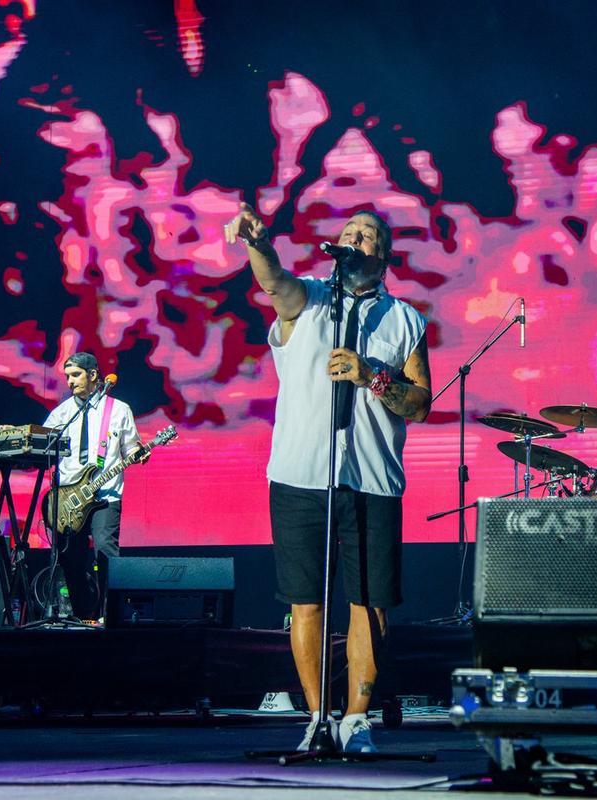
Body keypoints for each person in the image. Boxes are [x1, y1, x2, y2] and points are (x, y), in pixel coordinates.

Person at [224, 203, 432, 753]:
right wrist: (258, 244)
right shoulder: (310, 299)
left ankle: (357, 720)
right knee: (306, 601)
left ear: (385, 256)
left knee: (370, 604)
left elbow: (420, 404)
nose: (355, 237)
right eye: (348, 231)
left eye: (368, 234)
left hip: (372, 479)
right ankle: (318, 718)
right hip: (300, 474)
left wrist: (372, 377)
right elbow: (274, 282)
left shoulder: (406, 320)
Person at [42, 352, 146, 622]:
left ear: (93, 375)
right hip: (69, 498)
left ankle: (110, 616)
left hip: (106, 494)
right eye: (67, 376)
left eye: (75, 375)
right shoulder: (61, 414)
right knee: (71, 559)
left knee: (106, 552)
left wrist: (139, 453)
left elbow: (131, 448)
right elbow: (42, 448)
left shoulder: (119, 410)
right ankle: (83, 614)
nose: (70, 381)